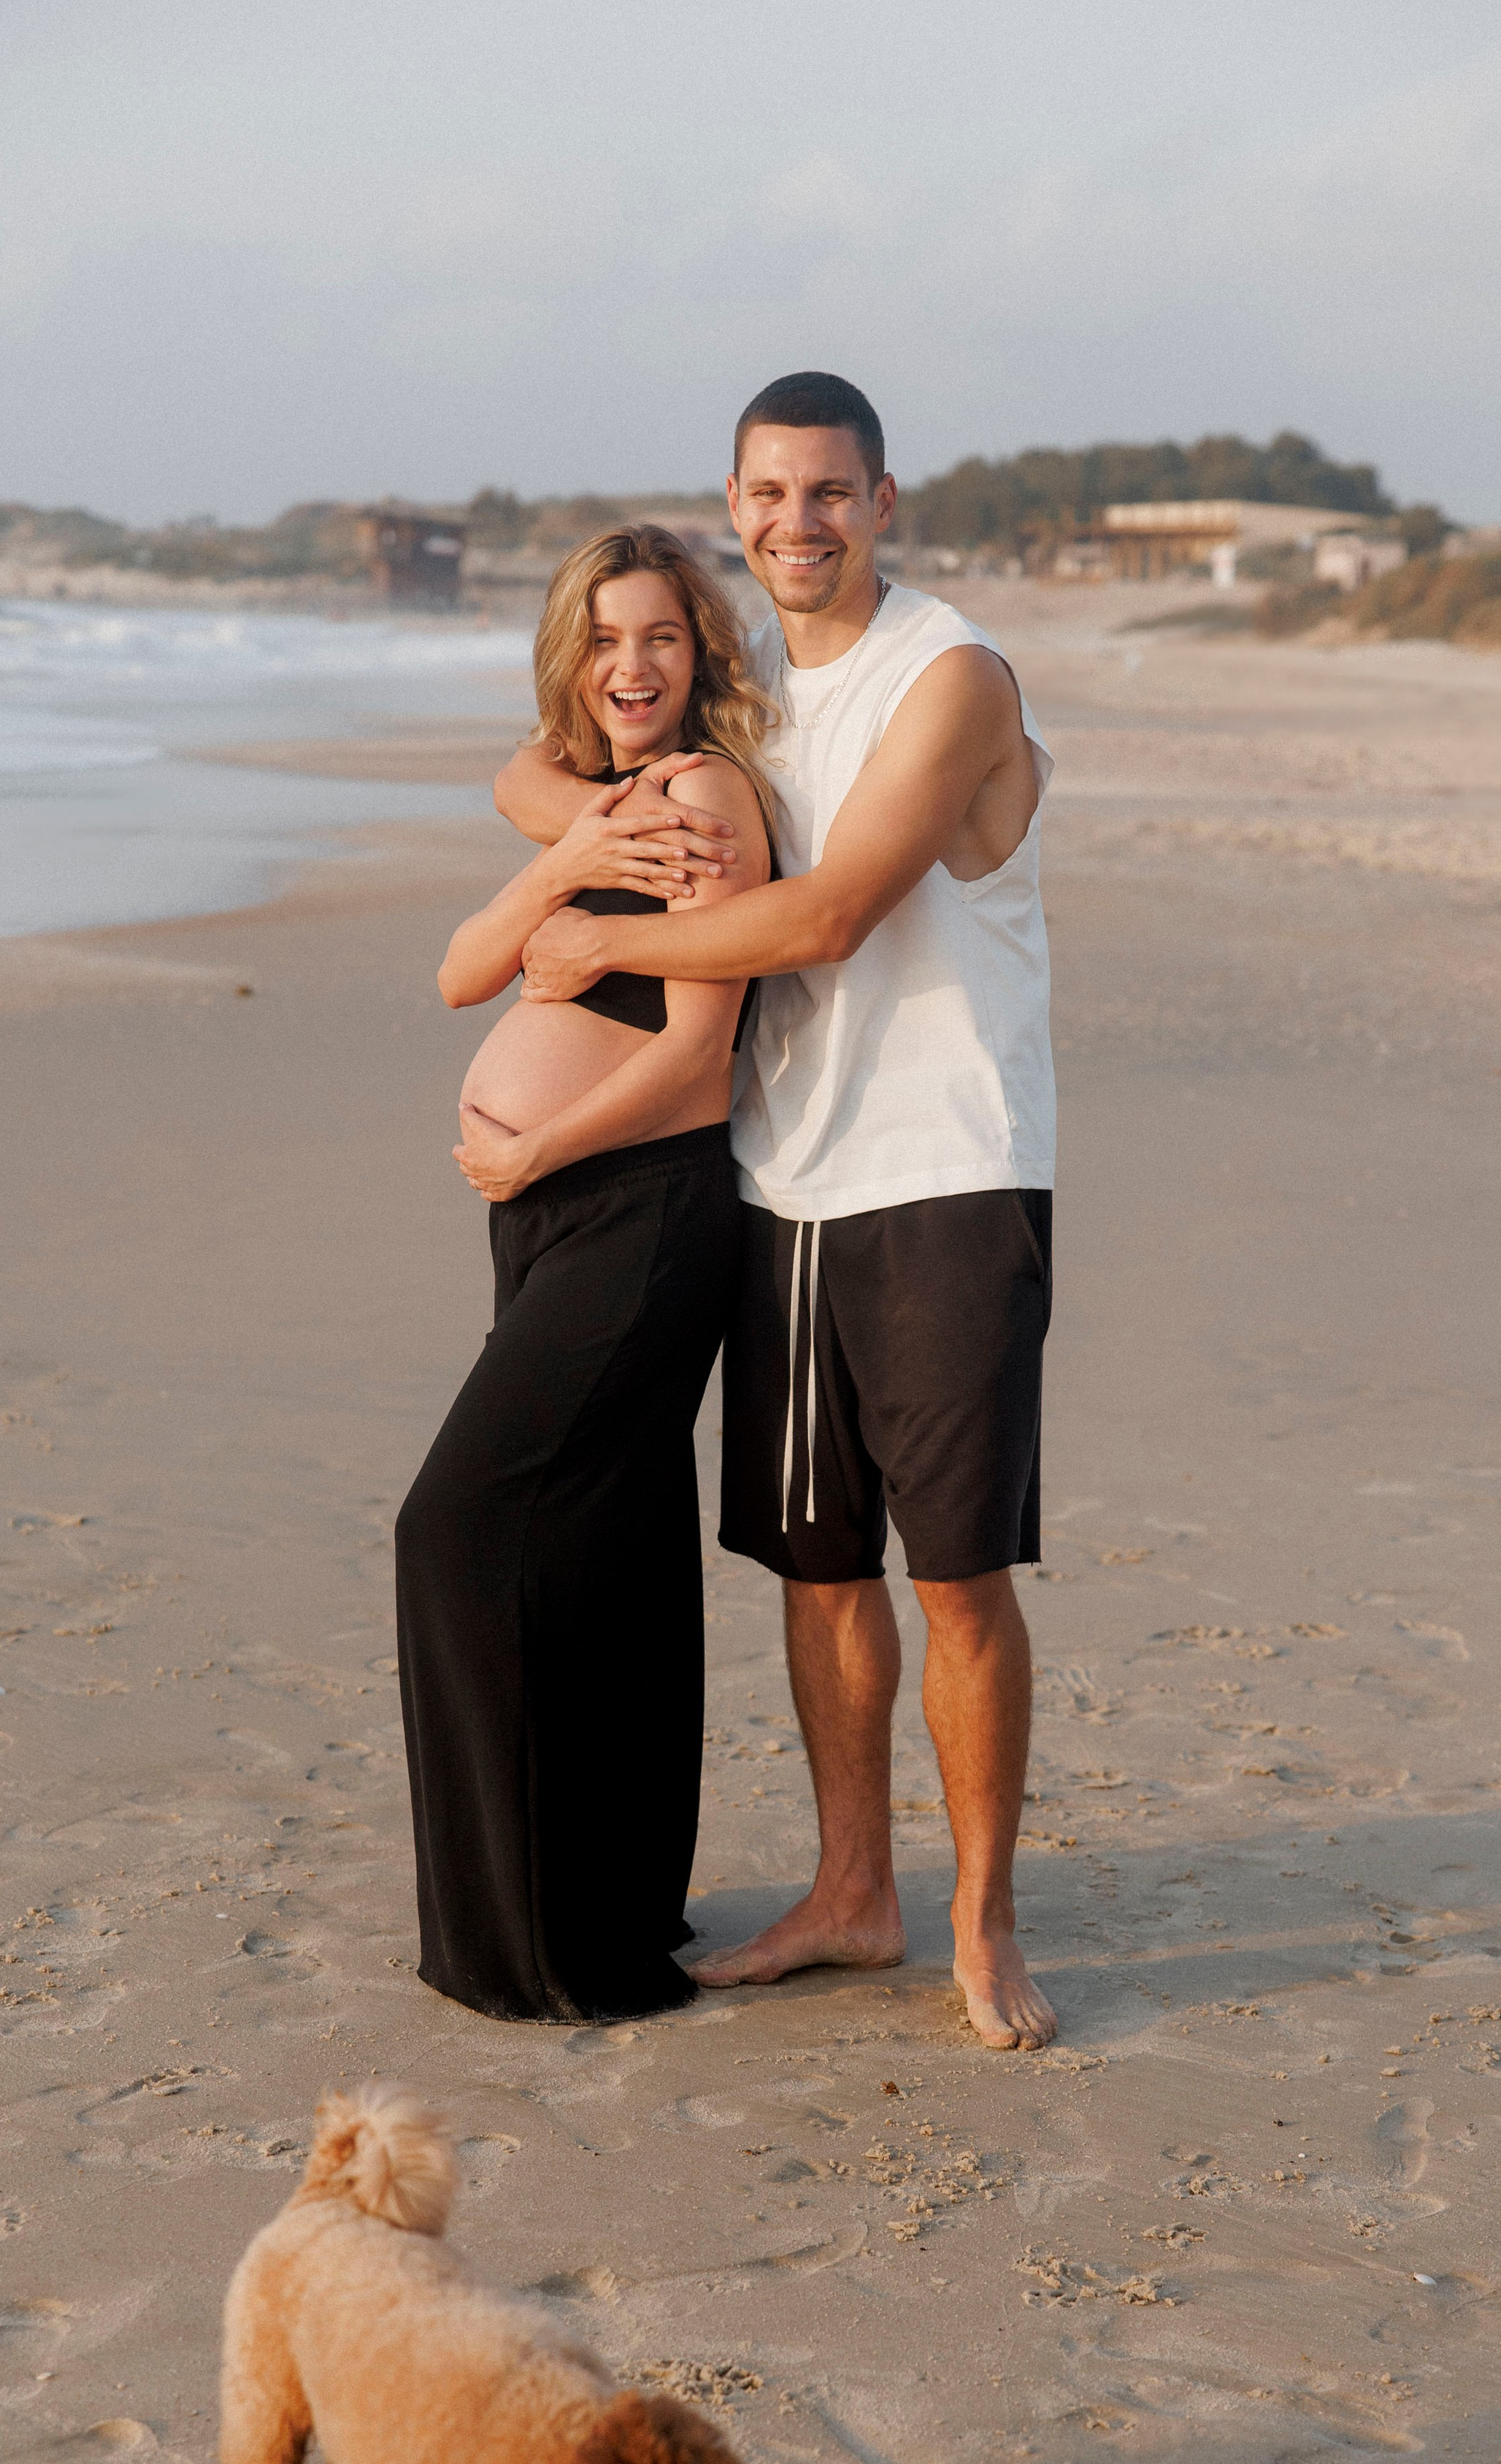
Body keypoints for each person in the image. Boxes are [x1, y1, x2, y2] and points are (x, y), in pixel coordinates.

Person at [499, 373, 1059, 2051]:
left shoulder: (948, 676)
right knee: (816, 1566)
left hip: (946, 1169)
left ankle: (978, 1918)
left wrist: (599, 938)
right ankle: (847, 1892)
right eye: (766, 496)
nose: (795, 524)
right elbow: (535, 767)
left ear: (882, 501)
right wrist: (592, 824)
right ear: (731, 506)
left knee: (952, 1575)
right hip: (782, 1175)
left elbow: (822, 918)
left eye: (829, 494)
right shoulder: (745, 707)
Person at [395, 524, 772, 2022]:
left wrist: (533, 1152)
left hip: (641, 1208)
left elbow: (698, 1058)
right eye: (607, 639)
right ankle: (609, 1898)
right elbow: (457, 973)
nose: (632, 665)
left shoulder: (704, 801)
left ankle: (525, 1934)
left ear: (701, 651)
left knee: (460, 1524)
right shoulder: (602, 807)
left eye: (662, 638)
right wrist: (562, 854)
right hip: (553, 1210)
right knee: (601, 1547)